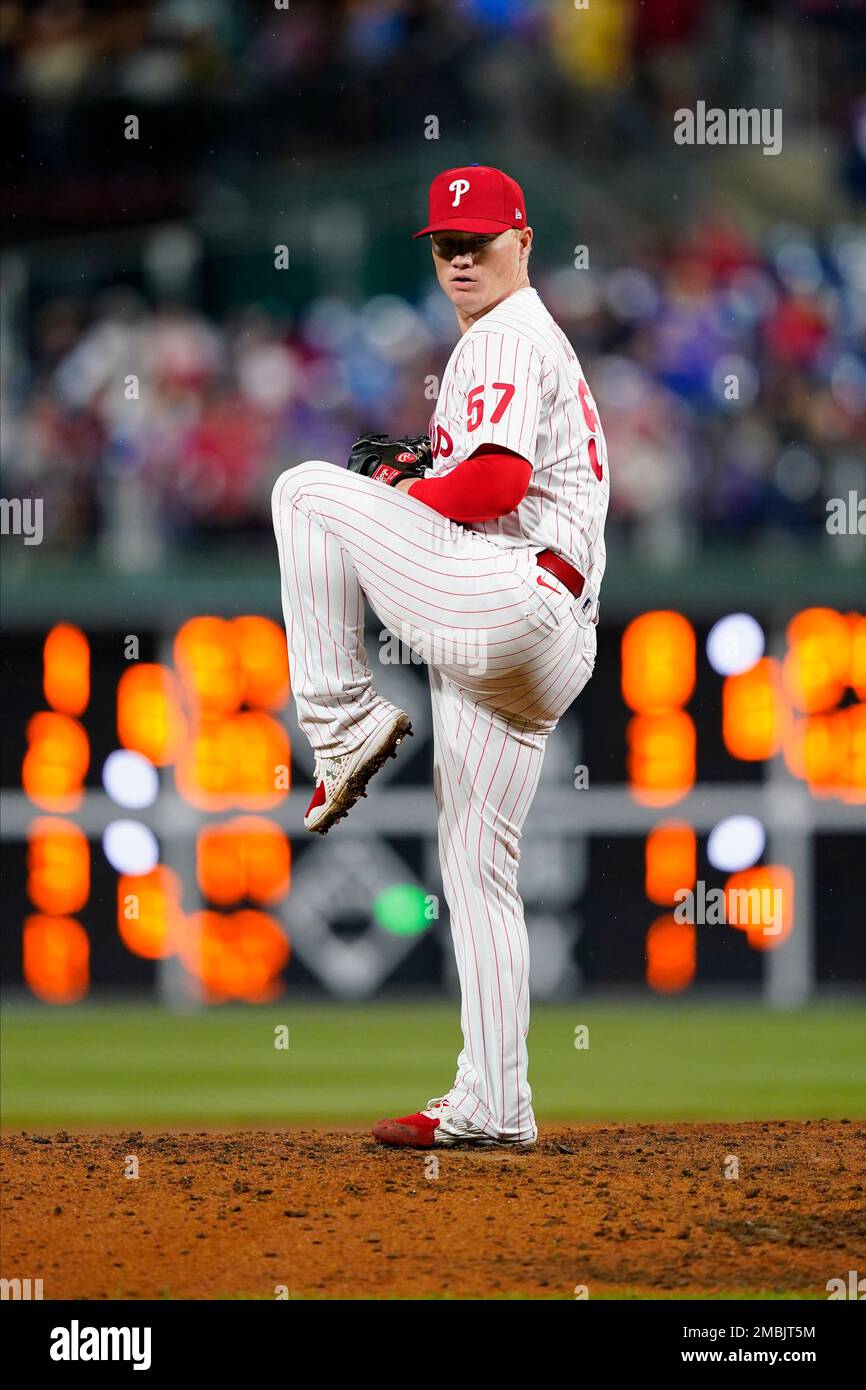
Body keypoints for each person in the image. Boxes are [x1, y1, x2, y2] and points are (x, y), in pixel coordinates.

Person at [272, 165, 609, 1148]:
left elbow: (496, 482)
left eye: (479, 241)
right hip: (536, 642)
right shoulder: (511, 343)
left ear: (524, 242)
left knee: (302, 492)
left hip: (511, 593)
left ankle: (339, 726)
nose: (461, 258)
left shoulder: (503, 334)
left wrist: (406, 496)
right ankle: (494, 1098)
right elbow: (486, 475)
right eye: (444, 245)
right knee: (475, 867)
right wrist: (427, 479)